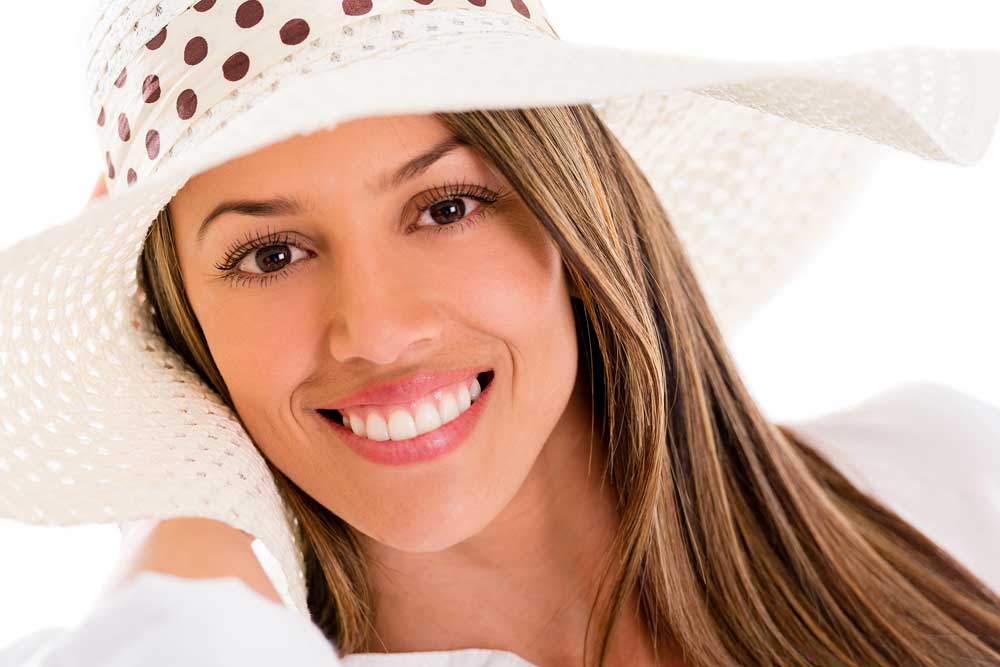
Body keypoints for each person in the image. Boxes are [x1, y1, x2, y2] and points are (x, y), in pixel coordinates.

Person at [2, 2, 1000, 666]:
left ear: (579, 215)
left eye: (447, 207)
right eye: (270, 254)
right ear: (177, 317)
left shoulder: (943, 482)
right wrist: (173, 476)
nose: (377, 330)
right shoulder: (179, 639)